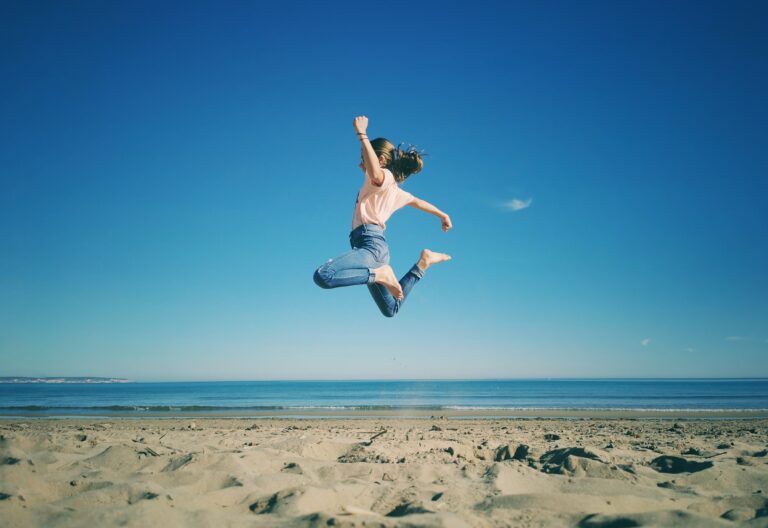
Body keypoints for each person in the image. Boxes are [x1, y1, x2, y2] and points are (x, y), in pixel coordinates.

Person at [313, 115, 452, 317]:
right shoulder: (395, 191)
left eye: (364, 159)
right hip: (373, 248)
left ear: (380, 160)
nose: (361, 165)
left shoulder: (382, 177)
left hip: (371, 245)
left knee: (323, 276)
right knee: (391, 308)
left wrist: (362, 135)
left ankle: (381, 274)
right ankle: (423, 264)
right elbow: (418, 202)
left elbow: (377, 174)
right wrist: (442, 214)